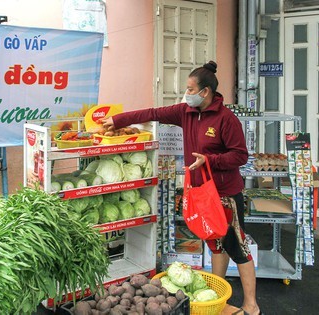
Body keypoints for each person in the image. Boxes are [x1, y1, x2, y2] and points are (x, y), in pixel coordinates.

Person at [101, 61, 261, 315]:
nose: (186, 93)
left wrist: (210, 160)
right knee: (215, 244)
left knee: (236, 246)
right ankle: (218, 298)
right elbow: (152, 112)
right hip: (200, 193)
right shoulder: (185, 112)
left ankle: (251, 306)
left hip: (225, 194)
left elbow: (240, 156)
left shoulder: (226, 119)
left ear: (205, 92)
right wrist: (118, 120)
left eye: (190, 88)